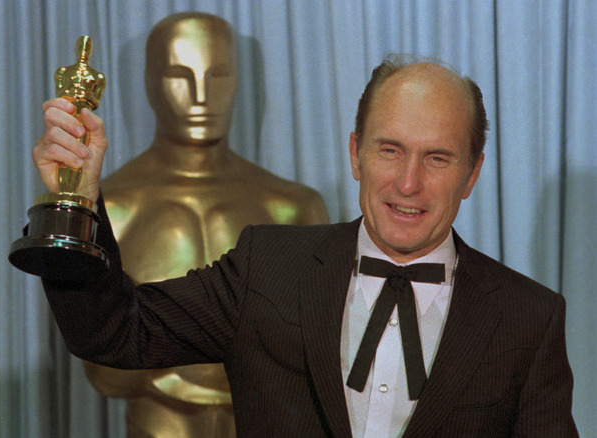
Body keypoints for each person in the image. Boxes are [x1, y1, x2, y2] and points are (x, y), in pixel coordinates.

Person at [31, 55, 578, 436]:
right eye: (390, 150)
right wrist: (75, 198)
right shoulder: (267, 269)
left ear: (473, 173)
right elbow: (115, 331)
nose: (408, 183)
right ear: (355, 152)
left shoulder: (528, 319)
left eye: (438, 158)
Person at [80, 12, 328, 438]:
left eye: (219, 75)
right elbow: (107, 375)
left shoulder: (294, 208)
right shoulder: (110, 207)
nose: (201, 96)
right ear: (149, 81)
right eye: (180, 75)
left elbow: (320, 358)